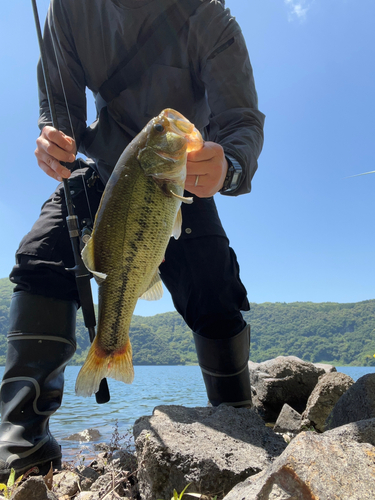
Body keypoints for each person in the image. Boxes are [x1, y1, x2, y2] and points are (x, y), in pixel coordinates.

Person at [0, 0, 265, 480]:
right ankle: (21, 450)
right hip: (104, 173)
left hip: (175, 182)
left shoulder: (211, 18)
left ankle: (239, 424)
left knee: (215, 286)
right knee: (41, 257)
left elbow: (241, 120)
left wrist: (230, 166)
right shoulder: (71, 10)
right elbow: (61, 112)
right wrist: (53, 138)